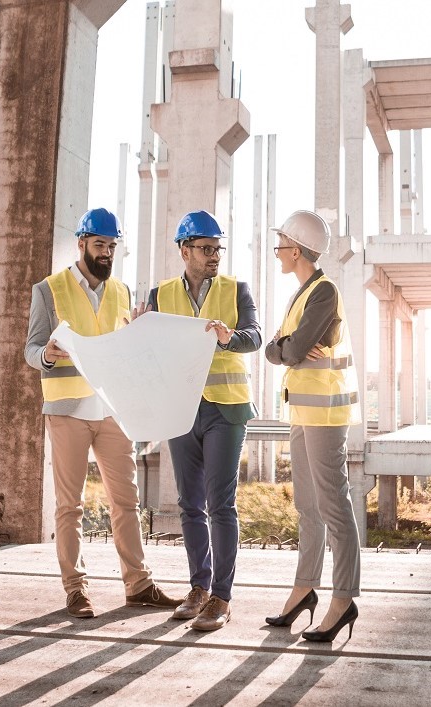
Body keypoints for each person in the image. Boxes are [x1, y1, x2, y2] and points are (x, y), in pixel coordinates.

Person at [25, 207, 183, 618]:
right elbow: (31, 348)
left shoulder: (123, 292)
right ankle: (75, 590)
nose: (107, 254)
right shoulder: (49, 290)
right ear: (81, 244)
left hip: (113, 409)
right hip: (68, 411)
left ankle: (139, 585)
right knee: (69, 505)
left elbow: (125, 350)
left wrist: (140, 330)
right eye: (100, 245)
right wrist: (45, 354)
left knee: (126, 500)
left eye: (112, 246)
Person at [142, 210, 261, 631]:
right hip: (181, 409)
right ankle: (199, 588)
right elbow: (149, 352)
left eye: (218, 248)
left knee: (220, 504)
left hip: (225, 409)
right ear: (184, 250)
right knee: (189, 505)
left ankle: (222, 598)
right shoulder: (160, 295)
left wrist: (231, 338)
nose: (214, 256)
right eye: (206, 248)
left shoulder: (236, 290)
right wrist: (136, 331)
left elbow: (256, 336)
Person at [263, 210, 361, 642]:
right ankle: (305, 589)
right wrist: (289, 348)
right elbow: (276, 348)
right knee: (307, 505)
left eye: (280, 243)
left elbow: (295, 345)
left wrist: (289, 347)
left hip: (324, 414)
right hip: (302, 412)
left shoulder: (324, 294)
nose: (277, 251)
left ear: (297, 250)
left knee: (333, 505)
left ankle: (343, 598)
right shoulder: (302, 293)